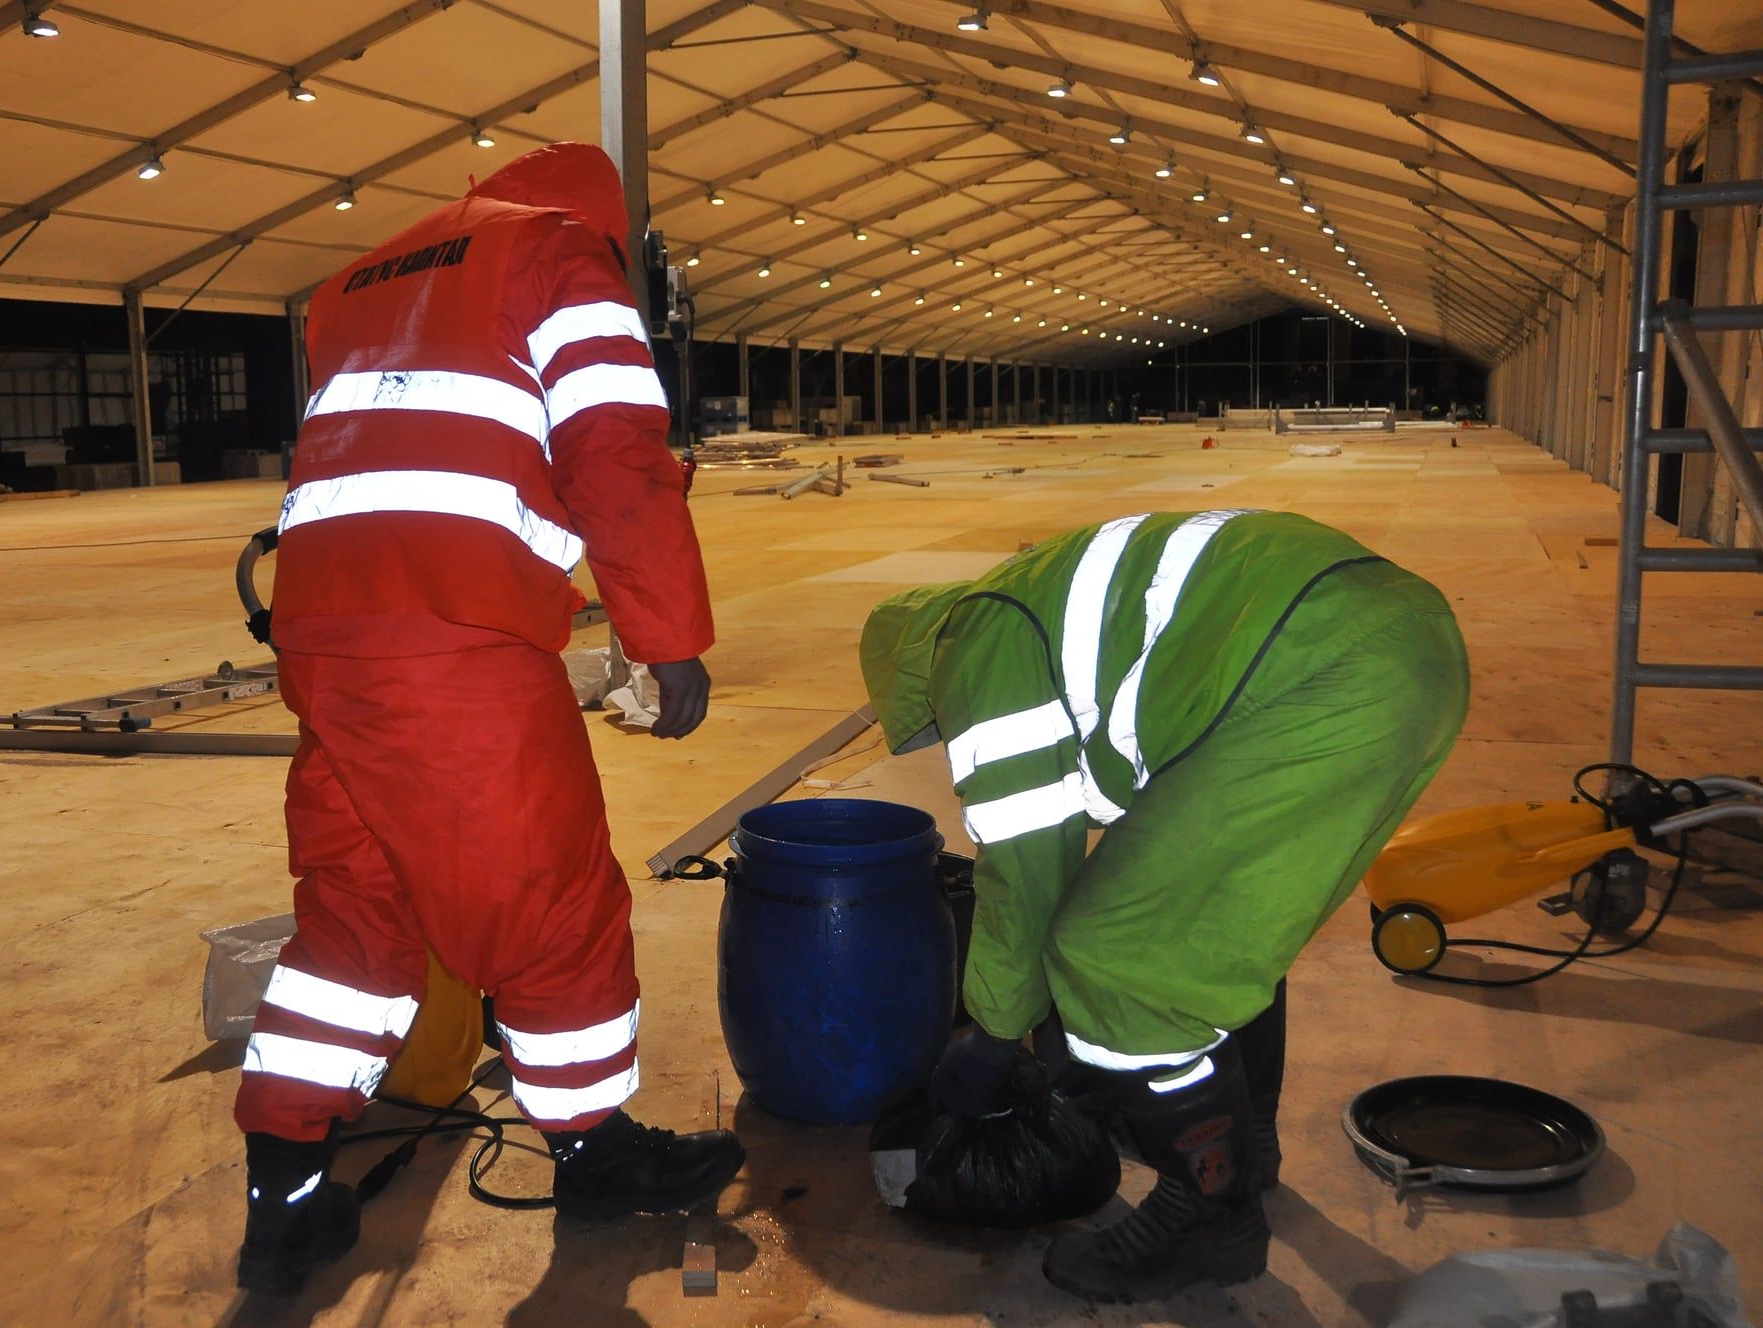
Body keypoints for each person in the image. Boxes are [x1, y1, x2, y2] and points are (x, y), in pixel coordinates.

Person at [232, 142, 743, 1295]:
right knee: (550, 899)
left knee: (356, 915)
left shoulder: (356, 280)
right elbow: (616, 453)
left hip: (325, 635)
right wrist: (667, 637)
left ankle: (285, 1194)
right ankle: (593, 1150)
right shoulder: (558, 254)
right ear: (610, 226)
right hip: (451, 640)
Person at [858, 509, 1468, 1302]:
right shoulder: (1026, 600)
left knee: (1121, 959)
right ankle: (1245, 1137)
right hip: (1402, 643)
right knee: (1214, 924)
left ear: (915, 675)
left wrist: (996, 1033)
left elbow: (1023, 869)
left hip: (1319, 673)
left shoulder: (977, 652)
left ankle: (1206, 1217)